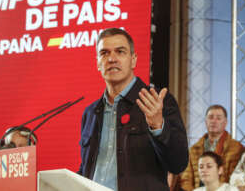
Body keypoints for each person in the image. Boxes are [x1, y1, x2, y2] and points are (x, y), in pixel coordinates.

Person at [78, 28, 189, 191]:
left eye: (120, 52)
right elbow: (87, 170)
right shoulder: (90, 113)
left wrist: (159, 127)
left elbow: (178, 164)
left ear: (133, 60)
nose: (112, 59)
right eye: (104, 53)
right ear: (97, 63)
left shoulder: (157, 100)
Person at [180, 105, 244, 190]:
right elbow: (186, 179)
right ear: (206, 121)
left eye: (218, 118)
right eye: (210, 117)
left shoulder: (236, 148)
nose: (214, 121)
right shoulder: (194, 149)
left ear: (225, 123)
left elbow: (237, 179)